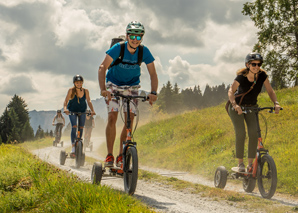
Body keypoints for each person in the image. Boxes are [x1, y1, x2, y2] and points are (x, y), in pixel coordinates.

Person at [98, 21, 158, 167]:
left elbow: (153, 73)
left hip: (132, 86)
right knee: (112, 117)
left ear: (142, 38)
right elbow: (102, 67)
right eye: (132, 36)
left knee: (129, 120)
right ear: (127, 36)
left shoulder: (144, 51)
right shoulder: (118, 48)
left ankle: (120, 155)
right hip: (113, 85)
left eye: (139, 37)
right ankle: (109, 156)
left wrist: (153, 92)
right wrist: (103, 89)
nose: (135, 40)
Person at [228, 53, 281, 172]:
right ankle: (240, 163)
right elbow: (231, 91)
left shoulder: (262, 76)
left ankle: (250, 164)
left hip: (251, 107)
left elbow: (270, 91)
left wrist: (276, 103)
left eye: (259, 64)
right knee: (241, 133)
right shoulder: (241, 77)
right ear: (247, 65)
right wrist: (235, 105)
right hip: (237, 108)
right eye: (253, 64)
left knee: (254, 134)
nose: (256, 66)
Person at [63, 75, 96, 158]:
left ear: (82, 83)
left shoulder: (86, 91)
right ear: (74, 83)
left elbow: (89, 101)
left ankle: (79, 142)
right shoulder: (71, 90)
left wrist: (92, 110)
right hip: (72, 111)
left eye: (80, 82)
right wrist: (65, 109)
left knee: (81, 127)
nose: (79, 84)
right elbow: (66, 101)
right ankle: (73, 147)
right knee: (74, 126)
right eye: (77, 82)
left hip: (82, 111)